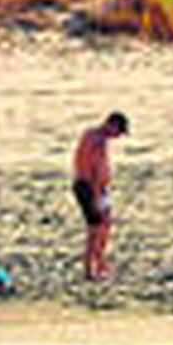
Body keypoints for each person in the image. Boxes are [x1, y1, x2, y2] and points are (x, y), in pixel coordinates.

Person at [72, 111, 129, 281]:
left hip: (90, 187)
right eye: (118, 132)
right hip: (90, 188)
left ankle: (100, 262)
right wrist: (96, 195)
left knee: (105, 225)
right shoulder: (98, 141)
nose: (117, 136)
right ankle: (90, 270)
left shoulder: (89, 134)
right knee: (95, 231)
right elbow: (94, 170)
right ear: (111, 124)